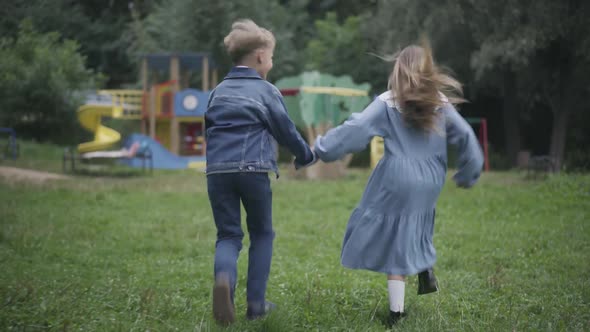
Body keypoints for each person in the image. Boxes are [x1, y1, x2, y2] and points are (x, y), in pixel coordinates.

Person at [313, 41, 484, 325]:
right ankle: (423, 263)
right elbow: (466, 135)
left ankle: (396, 313)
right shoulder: (439, 102)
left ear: (398, 70)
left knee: (392, 237)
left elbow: (355, 130)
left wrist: (322, 148)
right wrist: (470, 170)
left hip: (398, 177)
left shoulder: (388, 101)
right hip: (431, 180)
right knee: (416, 221)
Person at [205, 19, 316, 325]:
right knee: (262, 233)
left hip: (216, 172)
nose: (272, 60)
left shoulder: (217, 91)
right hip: (253, 170)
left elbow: (209, 129)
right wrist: (305, 155)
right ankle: (255, 305)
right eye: (271, 55)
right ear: (259, 58)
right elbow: (286, 130)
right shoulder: (266, 91)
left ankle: (224, 281)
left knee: (228, 235)